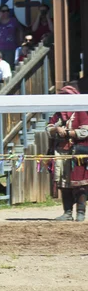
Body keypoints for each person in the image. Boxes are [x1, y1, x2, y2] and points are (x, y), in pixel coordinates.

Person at [47, 85, 88, 222]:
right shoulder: (58, 114)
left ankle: (81, 212)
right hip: (62, 151)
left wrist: (70, 133)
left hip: (77, 153)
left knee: (80, 183)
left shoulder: (81, 112)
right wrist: (56, 129)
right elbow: (49, 127)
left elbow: (85, 131)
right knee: (64, 184)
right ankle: (67, 212)